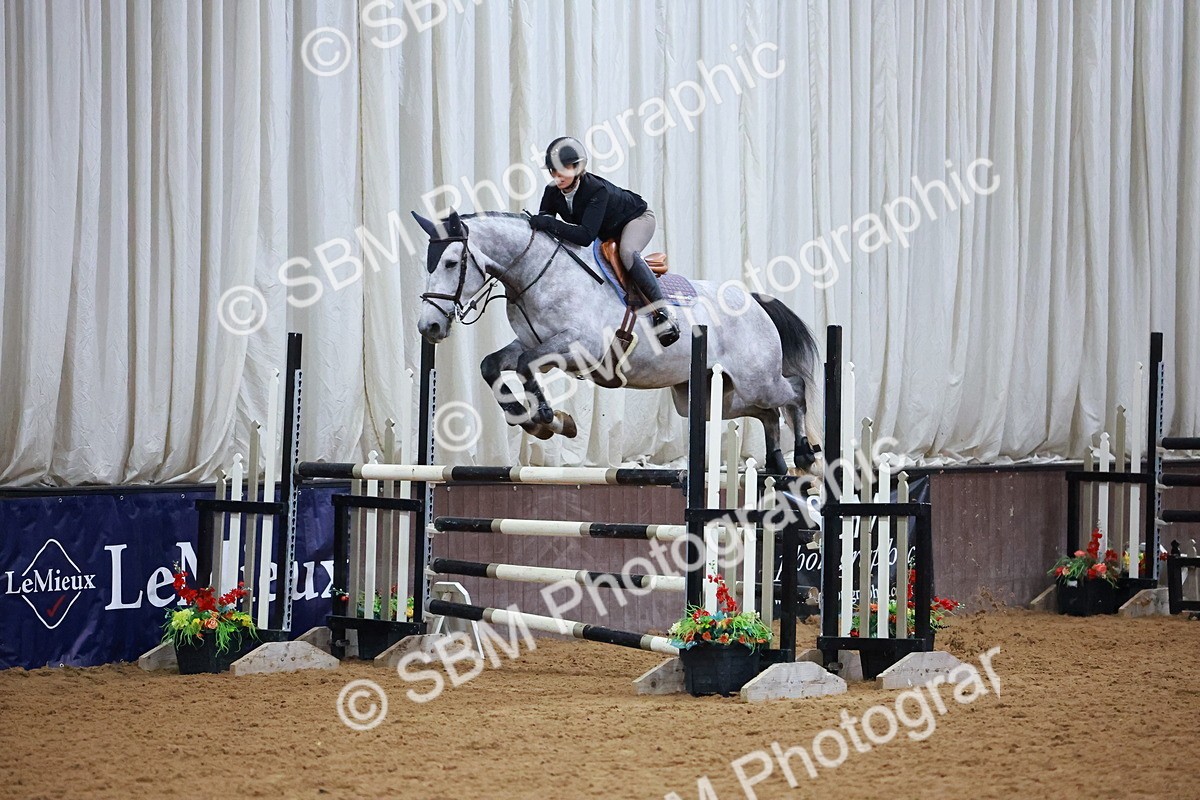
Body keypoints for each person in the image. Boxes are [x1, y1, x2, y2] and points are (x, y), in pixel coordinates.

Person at [530, 136, 680, 347]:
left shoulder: (595, 190)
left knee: (627, 252)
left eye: (562, 169)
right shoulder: (551, 192)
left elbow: (584, 236)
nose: (557, 176)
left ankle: (663, 311)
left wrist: (548, 223)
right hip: (604, 228)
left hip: (636, 219)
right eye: (553, 171)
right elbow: (547, 229)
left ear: (577, 168)